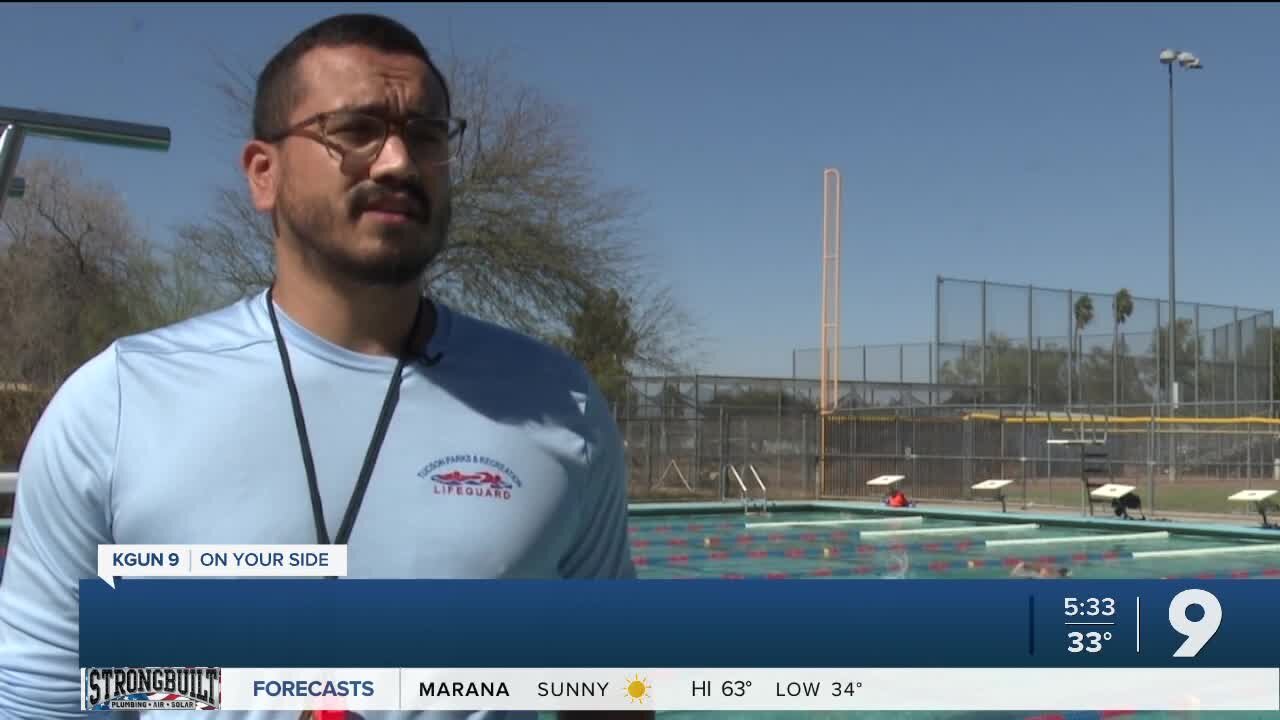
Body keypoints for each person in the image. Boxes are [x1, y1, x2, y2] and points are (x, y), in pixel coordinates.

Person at [0, 14, 644, 720]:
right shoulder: (120, 406)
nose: (398, 162)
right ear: (263, 173)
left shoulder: (557, 407)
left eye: (426, 135)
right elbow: (40, 700)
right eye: (356, 130)